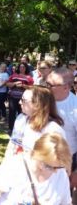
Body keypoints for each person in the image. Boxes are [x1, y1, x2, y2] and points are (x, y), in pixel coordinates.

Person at [0, 132, 72, 205]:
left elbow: (66, 202)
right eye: (48, 166)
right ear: (36, 155)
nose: (54, 171)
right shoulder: (14, 165)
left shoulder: (61, 174)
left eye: (58, 167)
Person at [5, 85, 65, 157]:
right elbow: (13, 143)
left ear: (37, 104)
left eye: (23, 100)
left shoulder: (53, 130)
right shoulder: (21, 119)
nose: (19, 102)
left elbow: (59, 163)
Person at [46, 67, 77, 201]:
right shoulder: (44, 100)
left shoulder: (74, 108)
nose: (46, 87)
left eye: (50, 85)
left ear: (66, 87)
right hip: (40, 157)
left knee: (59, 198)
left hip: (65, 163)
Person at [6, 62, 34, 134]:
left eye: (23, 67)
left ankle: (20, 130)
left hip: (23, 99)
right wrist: (14, 83)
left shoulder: (29, 77)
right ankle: (11, 128)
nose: (22, 68)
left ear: (26, 68)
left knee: (22, 114)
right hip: (13, 97)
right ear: (18, 68)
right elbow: (7, 84)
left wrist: (23, 86)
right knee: (11, 113)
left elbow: (32, 87)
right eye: (20, 67)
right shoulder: (14, 75)